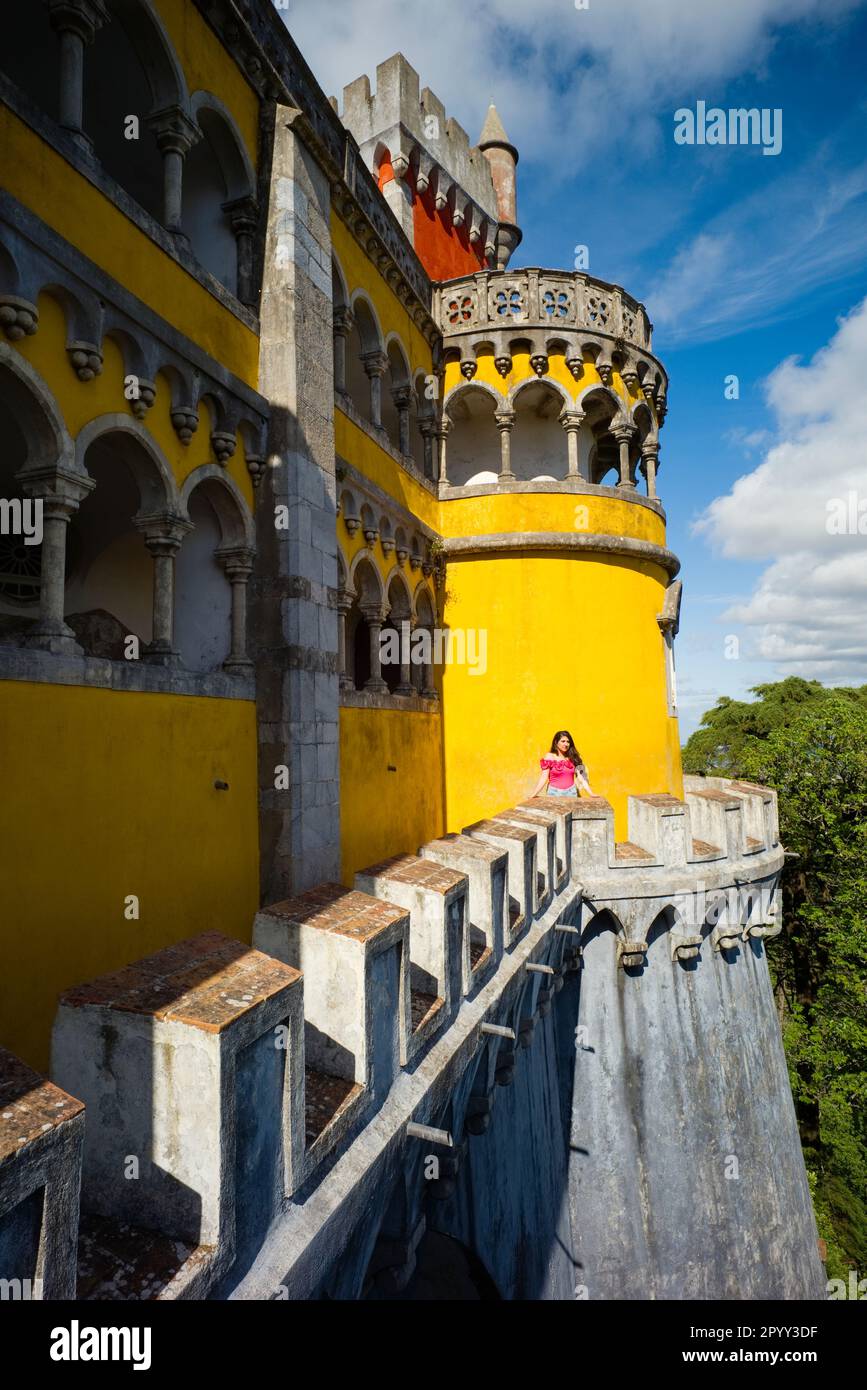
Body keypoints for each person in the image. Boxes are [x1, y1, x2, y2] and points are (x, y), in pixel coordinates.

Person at [530, 730, 595, 799]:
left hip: (571, 792)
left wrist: (591, 793)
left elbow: (581, 778)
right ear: (556, 742)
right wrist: (533, 794)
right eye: (563, 741)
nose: (566, 744)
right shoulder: (550, 756)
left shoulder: (573, 757)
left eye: (568, 742)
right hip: (554, 793)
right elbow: (544, 777)